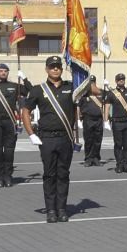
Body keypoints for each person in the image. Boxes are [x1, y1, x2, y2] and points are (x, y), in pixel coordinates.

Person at [19, 56, 90, 223]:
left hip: (65, 137)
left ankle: (62, 209)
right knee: (50, 175)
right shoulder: (38, 89)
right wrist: (31, 134)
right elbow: (25, 111)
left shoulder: (72, 87)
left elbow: (91, 88)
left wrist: (82, 69)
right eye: (52, 67)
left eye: (58, 66)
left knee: (63, 174)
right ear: (46, 69)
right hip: (47, 138)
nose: (55, 69)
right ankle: (51, 210)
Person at [104, 73, 127, 172]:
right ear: (116, 81)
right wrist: (106, 120)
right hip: (117, 122)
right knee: (118, 145)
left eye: (123, 79)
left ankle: (125, 164)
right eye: (119, 79)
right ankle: (119, 164)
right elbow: (107, 107)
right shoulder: (111, 93)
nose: (121, 81)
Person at [79, 78, 105, 166]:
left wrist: (107, 86)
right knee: (88, 139)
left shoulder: (100, 93)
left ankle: (96, 158)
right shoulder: (84, 94)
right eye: (90, 82)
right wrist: (79, 118)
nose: (92, 84)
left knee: (98, 139)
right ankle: (88, 158)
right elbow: (79, 107)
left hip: (98, 119)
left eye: (93, 82)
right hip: (88, 119)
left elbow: (110, 96)